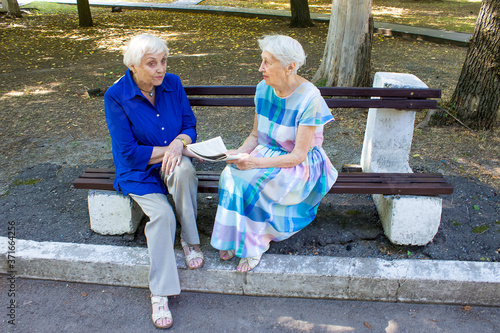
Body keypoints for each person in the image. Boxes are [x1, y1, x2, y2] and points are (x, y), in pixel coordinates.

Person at [210, 35, 338, 273]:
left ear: (290, 67)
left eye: (267, 62)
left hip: (299, 163)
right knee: (230, 174)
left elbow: (299, 155)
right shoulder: (263, 89)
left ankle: (254, 245)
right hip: (266, 153)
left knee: (250, 181)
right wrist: (237, 153)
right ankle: (232, 238)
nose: (261, 68)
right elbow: (255, 135)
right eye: (262, 61)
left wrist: (255, 162)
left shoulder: (311, 98)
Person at [104, 34, 204, 329]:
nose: (160, 69)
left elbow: (189, 126)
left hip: (171, 161)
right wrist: (174, 147)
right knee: (161, 214)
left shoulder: (172, 83)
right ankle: (160, 293)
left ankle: (190, 240)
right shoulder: (116, 96)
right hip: (138, 170)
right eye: (152, 63)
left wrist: (179, 144)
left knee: (184, 170)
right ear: (133, 66)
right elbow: (128, 152)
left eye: (163, 61)